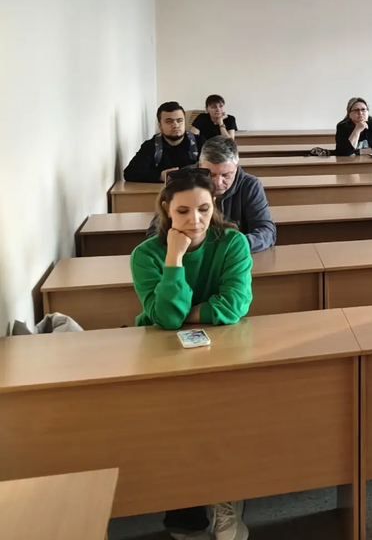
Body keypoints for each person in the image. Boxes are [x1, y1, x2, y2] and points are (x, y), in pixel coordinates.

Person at [129, 166, 253, 540]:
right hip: (164, 354)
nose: (195, 220)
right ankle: (185, 508)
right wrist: (175, 256)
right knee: (176, 423)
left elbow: (234, 305)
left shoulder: (232, 243)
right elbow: (167, 320)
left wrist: (183, 313)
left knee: (226, 414)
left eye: (203, 209)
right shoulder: (145, 255)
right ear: (166, 209)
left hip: (223, 349)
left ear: (214, 205)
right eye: (183, 211)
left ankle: (225, 497)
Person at [147, 137, 276, 253]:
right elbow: (155, 233)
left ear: (236, 167)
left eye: (226, 175)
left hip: (231, 257)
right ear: (200, 165)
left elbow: (267, 232)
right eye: (211, 174)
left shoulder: (250, 185)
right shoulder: (180, 181)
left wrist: (234, 245)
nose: (218, 183)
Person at [123, 102, 202, 183]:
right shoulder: (151, 146)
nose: (176, 125)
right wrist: (159, 176)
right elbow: (130, 173)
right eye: (169, 121)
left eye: (179, 121)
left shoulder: (200, 143)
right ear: (160, 126)